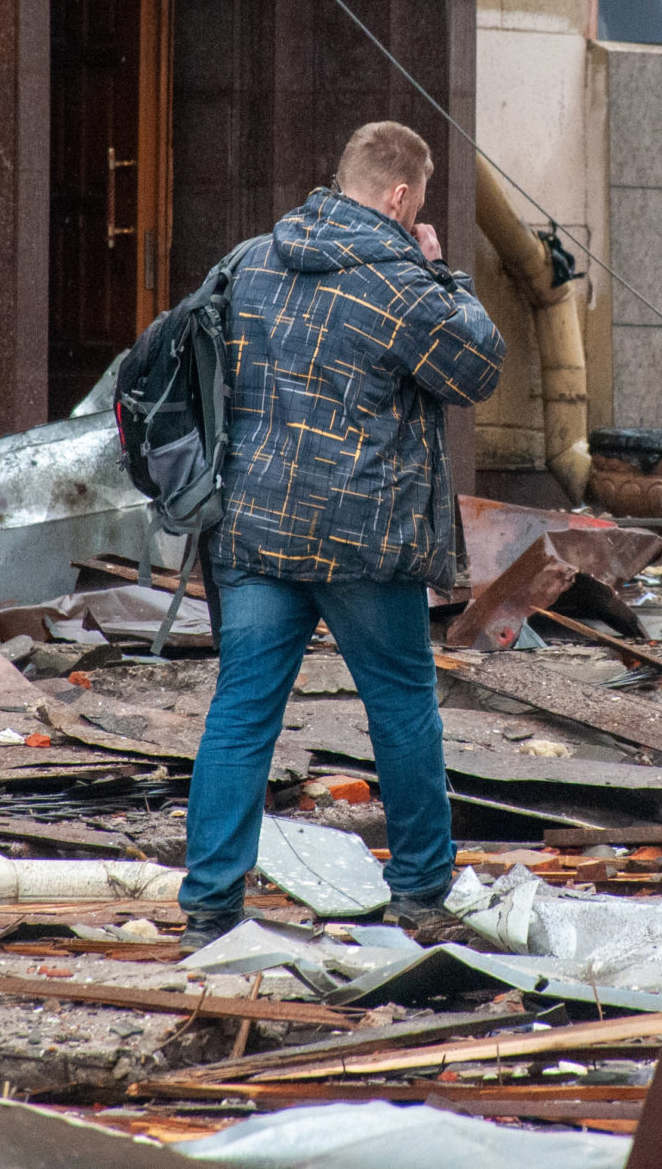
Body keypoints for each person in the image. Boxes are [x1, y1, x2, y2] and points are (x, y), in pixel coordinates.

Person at [179, 121, 504, 949]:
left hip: (253, 528)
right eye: (418, 203)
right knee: (400, 708)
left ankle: (209, 906)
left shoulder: (251, 259)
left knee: (242, 710)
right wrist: (440, 268)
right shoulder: (397, 282)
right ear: (400, 198)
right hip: (361, 538)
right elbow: (478, 368)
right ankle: (421, 894)